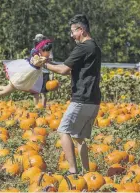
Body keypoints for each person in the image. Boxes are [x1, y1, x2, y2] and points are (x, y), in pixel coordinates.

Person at [43, 14, 101, 175]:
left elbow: (63, 70)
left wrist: (44, 63)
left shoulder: (82, 47)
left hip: (82, 98)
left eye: (73, 31)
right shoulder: (95, 47)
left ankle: (73, 171)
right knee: (79, 137)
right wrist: (50, 64)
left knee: (63, 130)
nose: (71, 35)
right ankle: (88, 173)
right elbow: (73, 70)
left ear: (81, 30)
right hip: (94, 100)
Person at [0, 39, 53, 106]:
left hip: (26, 78)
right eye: (48, 51)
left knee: (6, 89)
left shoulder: (41, 56)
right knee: (5, 91)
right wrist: (44, 60)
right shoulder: (36, 56)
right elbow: (36, 62)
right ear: (41, 50)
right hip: (22, 77)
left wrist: (45, 60)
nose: (49, 53)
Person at [31, 34, 53, 108]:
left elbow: (50, 60)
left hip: (45, 72)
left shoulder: (47, 49)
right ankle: (36, 107)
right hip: (36, 73)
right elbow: (33, 61)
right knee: (35, 92)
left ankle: (43, 107)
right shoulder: (33, 50)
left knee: (43, 92)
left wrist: (51, 73)